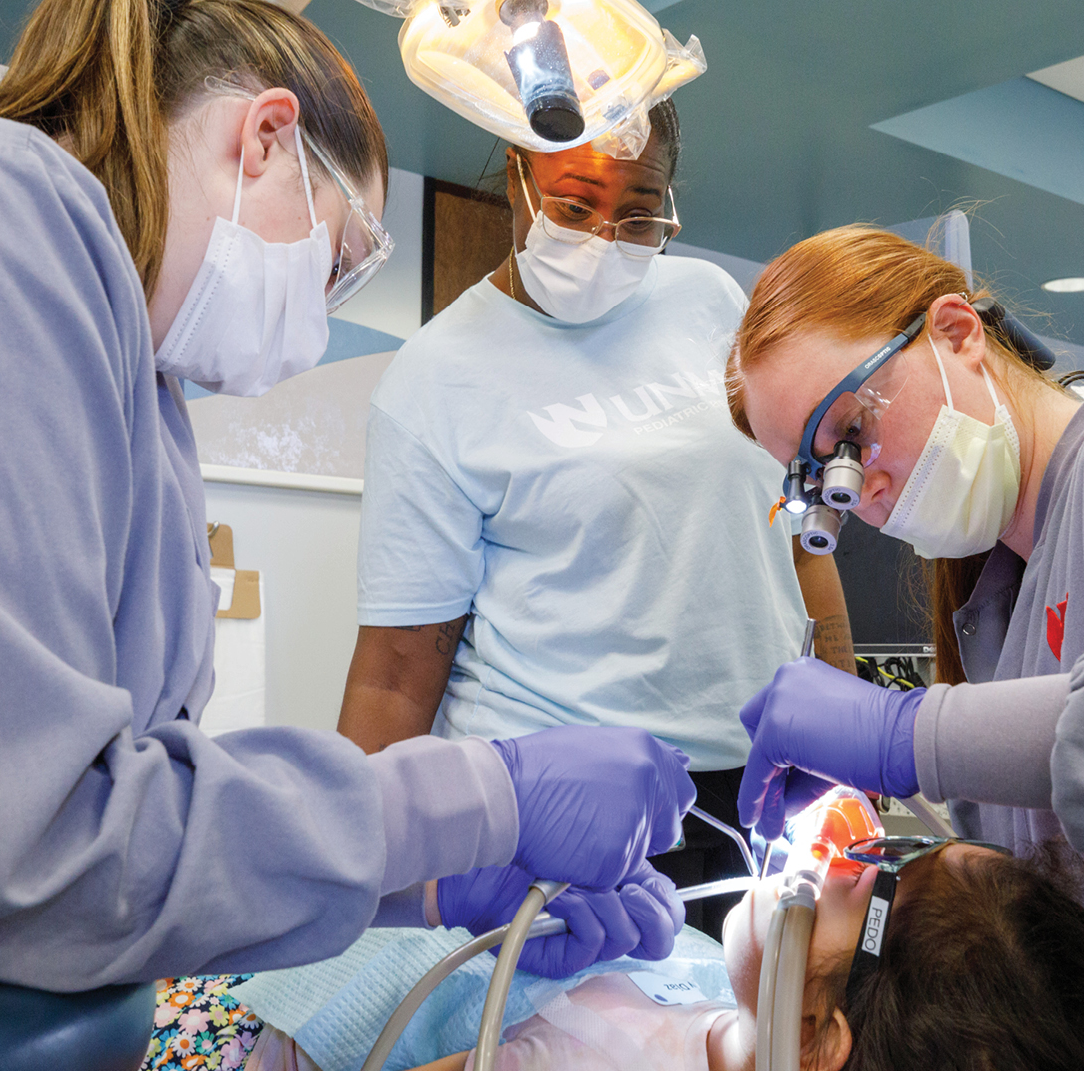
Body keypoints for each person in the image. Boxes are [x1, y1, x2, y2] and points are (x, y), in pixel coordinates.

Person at [0, 0, 690, 995]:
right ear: (265, 138)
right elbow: (24, 855)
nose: (317, 323)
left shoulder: (138, 392)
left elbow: (131, 835)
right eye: (336, 262)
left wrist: (422, 885)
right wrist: (473, 796)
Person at [342, 101, 852, 932]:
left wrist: (848, 727)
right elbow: (395, 674)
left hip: (764, 789)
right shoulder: (434, 379)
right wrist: (358, 885)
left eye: (642, 209)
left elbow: (800, 543)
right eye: (576, 205)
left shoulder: (712, 303)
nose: (606, 239)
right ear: (514, 173)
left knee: (758, 1054)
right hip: (563, 811)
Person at [719, 225, 1084, 1017]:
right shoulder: (994, 615)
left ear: (957, 333)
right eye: (828, 482)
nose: (867, 488)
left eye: (853, 434)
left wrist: (911, 735)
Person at [111, 808, 1084, 1071]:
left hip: (224, 1053)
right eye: (900, 843)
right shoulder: (738, 1046)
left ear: (819, 1036)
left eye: (874, 886)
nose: (848, 841)